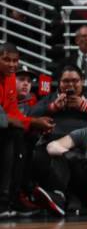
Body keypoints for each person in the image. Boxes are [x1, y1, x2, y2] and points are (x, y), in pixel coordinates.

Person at [0, 43, 55, 218]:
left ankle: (15, 197)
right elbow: (5, 117)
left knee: (28, 135)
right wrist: (32, 121)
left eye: (15, 61)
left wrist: (33, 123)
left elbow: (12, 113)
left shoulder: (10, 78)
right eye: (6, 60)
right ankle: (3, 200)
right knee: (14, 133)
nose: (11, 65)